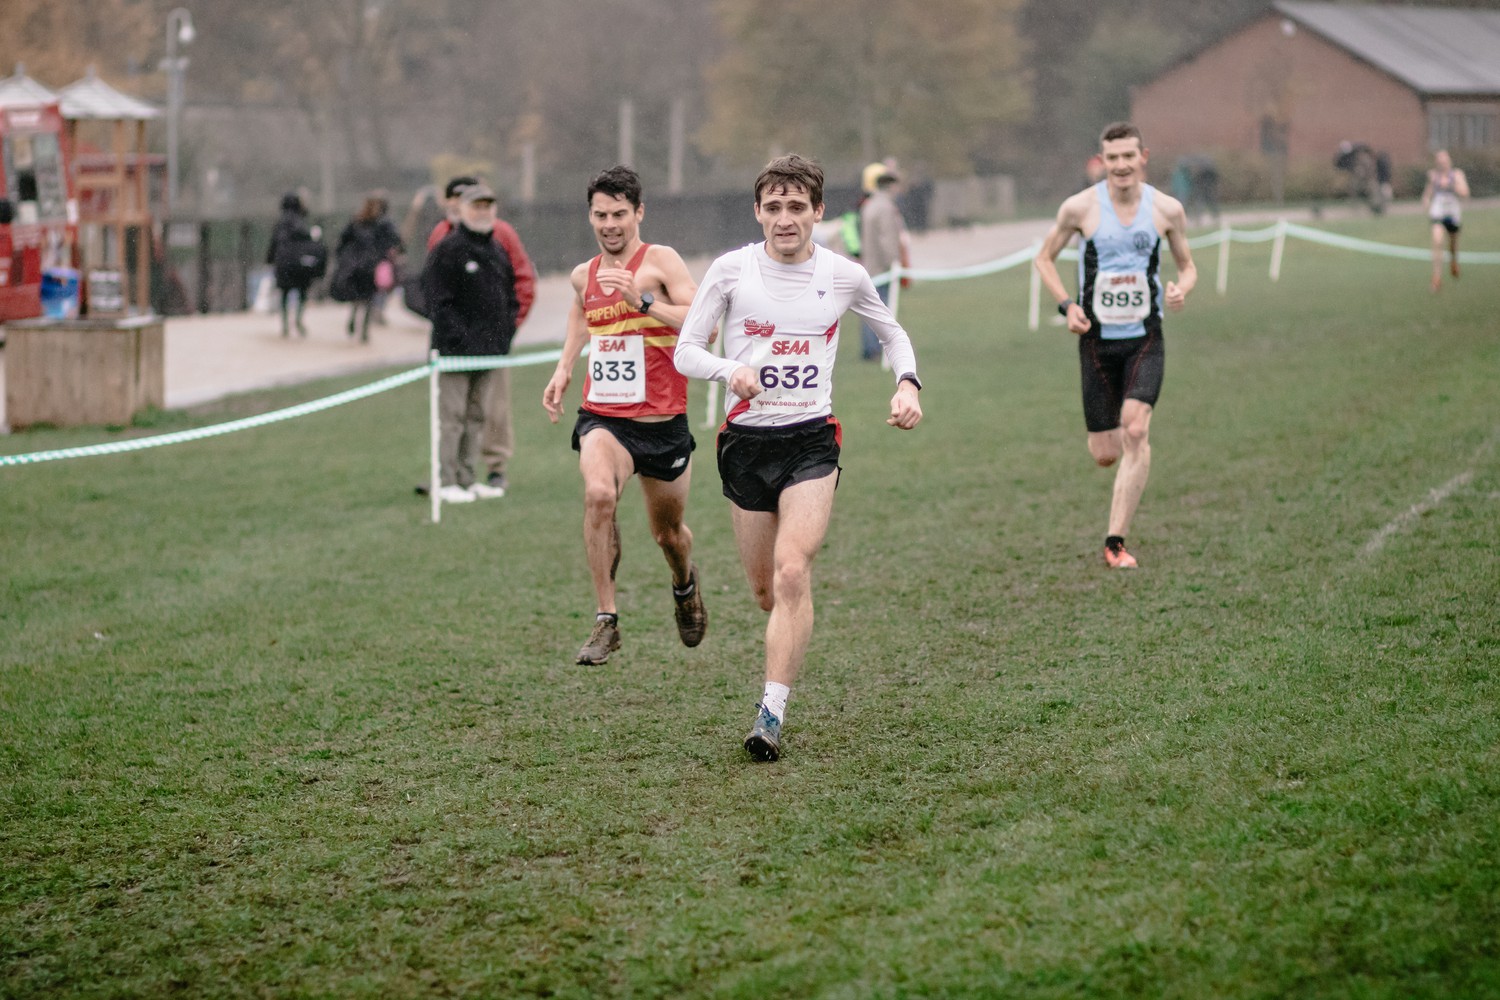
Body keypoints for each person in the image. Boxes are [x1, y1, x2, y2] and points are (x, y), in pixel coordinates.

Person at [674, 153, 924, 763]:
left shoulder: (844, 275)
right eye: (773, 207)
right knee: (765, 592)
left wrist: (907, 383)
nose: (785, 219)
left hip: (812, 439)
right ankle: (770, 642)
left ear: (818, 211)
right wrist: (730, 368)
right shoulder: (732, 270)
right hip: (745, 444)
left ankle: (771, 713)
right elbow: (686, 350)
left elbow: (891, 332)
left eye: (797, 207)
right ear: (758, 211)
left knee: (792, 571)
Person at [542, 165, 707, 665]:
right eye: (599, 215)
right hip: (605, 417)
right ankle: (605, 619)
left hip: (662, 424)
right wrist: (564, 366)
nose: (609, 224)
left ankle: (684, 584)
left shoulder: (661, 262)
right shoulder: (582, 275)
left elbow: (703, 325)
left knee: (668, 535)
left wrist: (643, 301)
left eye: (618, 214)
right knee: (598, 495)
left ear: (638, 212)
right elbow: (580, 311)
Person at [1033, 121, 1198, 570]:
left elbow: (1187, 266)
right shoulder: (1080, 208)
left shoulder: (1166, 209)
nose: (1121, 165)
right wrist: (1067, 305)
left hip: (1146, 337)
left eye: (1129, 156)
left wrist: (1182, 288)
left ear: (1143, 156)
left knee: (1137, 429)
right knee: (1106, 453)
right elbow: (1043, 258)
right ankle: (1117, 493)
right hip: (1096, 342)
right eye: (1113, 158)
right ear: (1102, 160)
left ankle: (1115, 542)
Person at [425, 176, 537, 495]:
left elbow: (513, 292)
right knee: (453, 418)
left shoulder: (497, 246)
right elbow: (437, 302)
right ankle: (446, 480)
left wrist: (505, 334)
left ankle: (467, 477)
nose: (482, 212)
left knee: (477, 416)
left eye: (487, 205)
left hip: (489, 352)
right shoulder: (448, 249)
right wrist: (460, 339)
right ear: (461, 209)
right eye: (476, 206)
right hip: (455, 352)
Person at [332, 192, 403, 343]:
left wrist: (343, 257)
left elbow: (343, 240)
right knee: (369, 297)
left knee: (357, 296)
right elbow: (393, 242)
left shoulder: (357, 221)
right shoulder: (382, 223)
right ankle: (364, 330)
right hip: (371, 266)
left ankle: (353, 319)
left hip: (355, 264)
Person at [858, 162, 910, 360]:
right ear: (890, 186)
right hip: (881, 268)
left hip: (869, 266)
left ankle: (869, 349)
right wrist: (894, 263)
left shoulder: (869, 205)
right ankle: (876, 350)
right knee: (881, 310)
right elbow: (887, 239)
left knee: (868, 310)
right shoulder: (886, 207)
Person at [264, 191, 325, 338]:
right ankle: (297, 320)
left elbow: (274, 243)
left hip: (283, 262)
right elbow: (309, 240)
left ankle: (285, 324)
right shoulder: (301, 221)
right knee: (301, 293)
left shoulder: (280, 222)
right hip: (299, 263)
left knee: (284, 293)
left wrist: (269, 259)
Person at [1421, 149, 1470, 293]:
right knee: (1437, 241)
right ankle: (1436, 277)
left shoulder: (1457, 174)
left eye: (1444, 161)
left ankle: (1453, 262)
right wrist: (1425, 200)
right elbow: (1428, 192)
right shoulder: (1433, 175)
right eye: (1439, 161)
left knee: (1452, 244)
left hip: (1452, 214)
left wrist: (1451, 185)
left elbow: (1465, 193)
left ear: (1449, 161)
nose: (1442, 163)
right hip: (1438, 212)